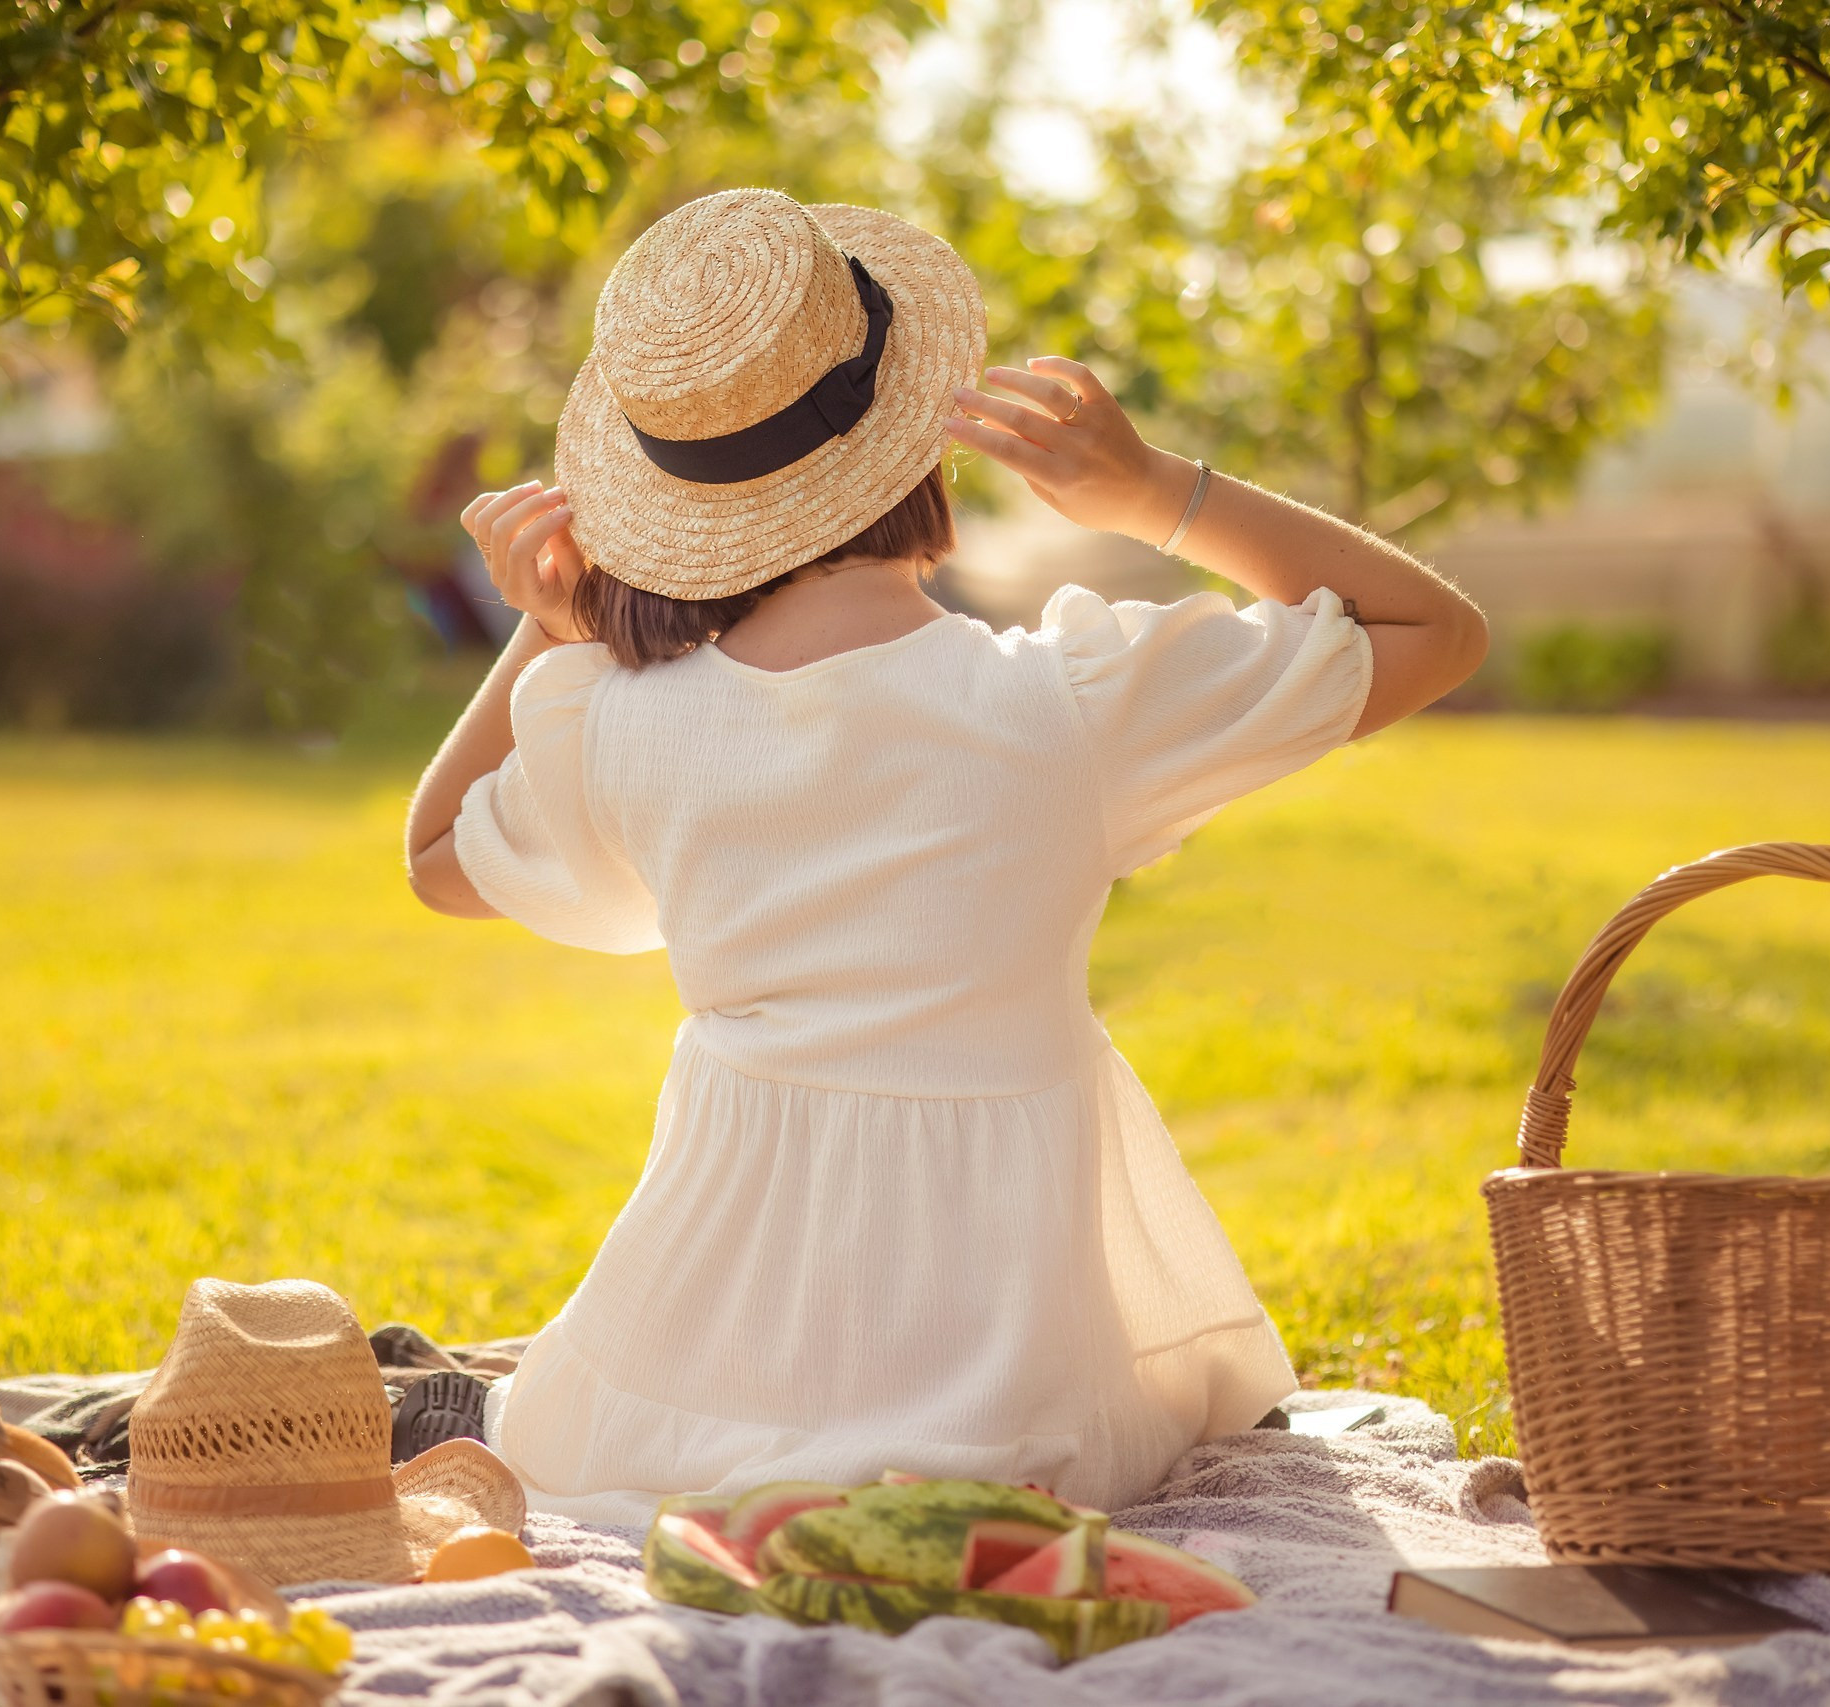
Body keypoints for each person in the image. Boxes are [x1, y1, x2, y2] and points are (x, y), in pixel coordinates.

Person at [403, 189, 1486, 1527]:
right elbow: (1433, 630)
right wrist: (1154, 489)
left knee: (602, 1445)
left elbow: (437, 853)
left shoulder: (626, 723)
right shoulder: (1069, 705)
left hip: (695, 1366)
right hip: (1016, 1392)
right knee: (1062, 1461)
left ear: (671, 494)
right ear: (909, 438)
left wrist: (548, 626)